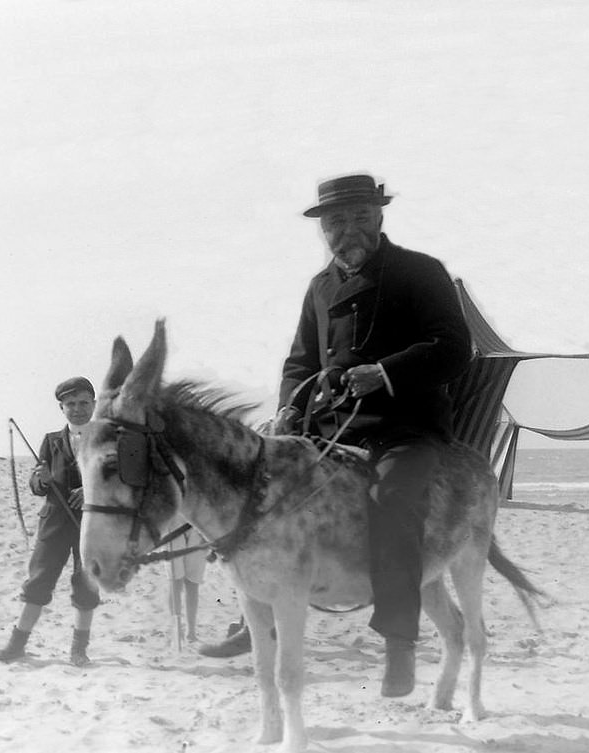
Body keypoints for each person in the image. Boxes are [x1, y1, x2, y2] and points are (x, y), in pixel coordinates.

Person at [199, 173, 472, 698]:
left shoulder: (421, 272)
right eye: (336, 221)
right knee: (258, 494)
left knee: (392, 498)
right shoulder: (320, 287)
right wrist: (288, 409)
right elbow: (300, 360)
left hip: (405, 427)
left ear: (380, 217)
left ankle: (399, 645)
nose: (349, 229)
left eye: (360, 217)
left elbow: (454, 347)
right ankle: (256, 618)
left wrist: (386, 372)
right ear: (323, 228)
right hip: (326, 428)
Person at [0, 376, 101, 665]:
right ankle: (16, 646)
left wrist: (90, 490)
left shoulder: (107, 438)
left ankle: (79, 650)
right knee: (38, 582)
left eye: (83, 403)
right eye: (71, 404)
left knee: (86, 584)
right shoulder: (51, 441)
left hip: (92, 525)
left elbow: (120, 480)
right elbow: (37, 483)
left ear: (94, 404)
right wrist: (40, 480)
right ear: (61, 408)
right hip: (53, 522)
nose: (78, 409)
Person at [167, 522, 208, 644]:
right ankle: (177, 628)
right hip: (174, 527)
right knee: (175, 582)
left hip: (198, 528)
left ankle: (191, 631)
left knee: (193, 582)